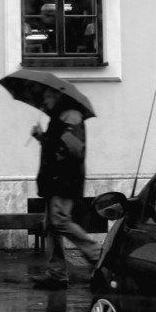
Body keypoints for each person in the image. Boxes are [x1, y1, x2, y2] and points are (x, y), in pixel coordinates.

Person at [29, 87, 101, 289]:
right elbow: (55, 145)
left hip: (64, 180)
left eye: (48, 96)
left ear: (58, 97)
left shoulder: (71, 115)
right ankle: (56, 274)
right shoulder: (59, 117)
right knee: (51, 226)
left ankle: (97, 255)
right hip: (54, 180)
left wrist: (52, 149)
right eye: (45, 96)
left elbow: (74, 148)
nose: (45, 100)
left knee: (59, 221)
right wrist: (41, 137)